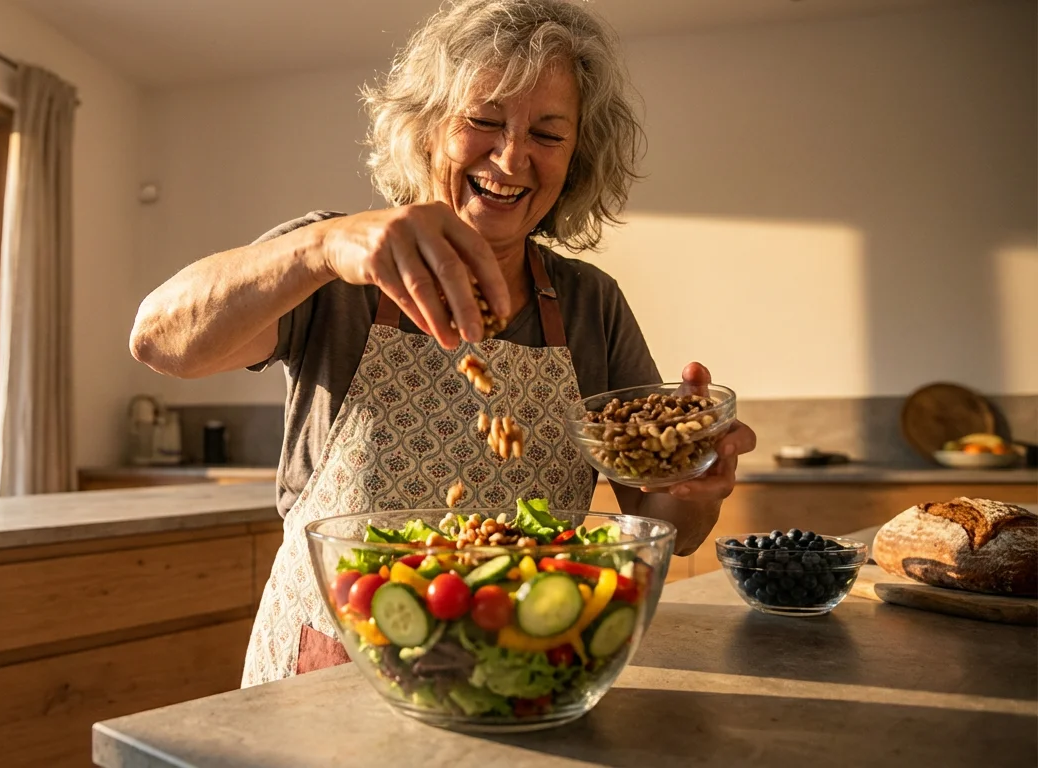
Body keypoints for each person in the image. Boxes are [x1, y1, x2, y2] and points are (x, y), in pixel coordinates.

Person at [129, 0, 757, 687]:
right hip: (330, 674)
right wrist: (320, 245)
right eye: (483, 121)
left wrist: (695, 485)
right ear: (427, 131)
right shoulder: (339, 271)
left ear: (576, 157)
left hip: (518, 671)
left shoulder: (590, 304)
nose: (512, 156)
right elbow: (161, 342)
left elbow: (665, 518)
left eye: (548, 134)